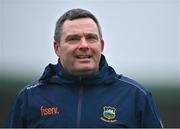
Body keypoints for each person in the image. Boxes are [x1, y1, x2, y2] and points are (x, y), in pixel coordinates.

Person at [7, 8, 163, 128]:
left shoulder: (135, 96)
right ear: (57, 47)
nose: (84, 45)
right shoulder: (29, 98)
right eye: (73, 39)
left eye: (91, 38)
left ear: (101, 45)